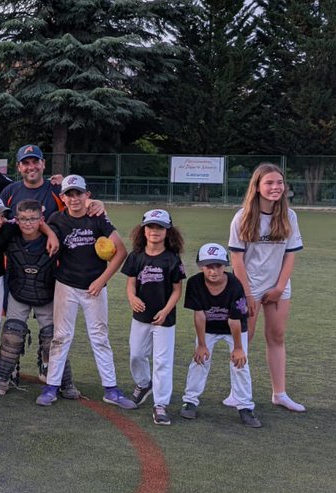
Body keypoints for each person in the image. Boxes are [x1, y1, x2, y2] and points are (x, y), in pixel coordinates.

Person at [36, 175, 135, 409]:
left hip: (94, 287)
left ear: (87, 195)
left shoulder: (98, 217)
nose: (74, 199)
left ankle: (111, 389)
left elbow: (121, 251)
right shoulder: (57, 219)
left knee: (100, 337)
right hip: (66, 285)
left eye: (78, 193)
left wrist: (102, 280)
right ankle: (52, 386)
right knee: (61, 337)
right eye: (69, 194)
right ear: (63, 198)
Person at [229, 162, 305, 413]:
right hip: (247, 288)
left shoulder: (289, 216)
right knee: (244, 339)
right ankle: (237, 393)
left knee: (277, 336)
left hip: (278, 287)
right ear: (257, 187)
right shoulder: (242, 217)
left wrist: (280, 287)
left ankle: (279, 393)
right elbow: (237, 258)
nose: (275, 187)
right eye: (269, 183)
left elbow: (290, 255)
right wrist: (248, 292)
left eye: (279, 183)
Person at [0, 199, 69, 397]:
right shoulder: (9, 234)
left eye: (33, 219)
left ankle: (63, 379)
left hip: (47, 292)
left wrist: (97, 205)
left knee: (54, 336)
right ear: (16, 219)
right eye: (23, 219)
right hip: (19, 290)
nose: (28, 223)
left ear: (41, 220)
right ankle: (3, 375)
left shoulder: (54, 236)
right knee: (12, 334)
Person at [179, 243, 261, 428]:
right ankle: (190, 400)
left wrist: (239, 348)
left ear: (225, 266)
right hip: (208, 328)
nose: (213, 271)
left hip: (234, 329)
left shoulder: (234, 284)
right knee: (200, 360)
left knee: (240, 364)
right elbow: (199, 315)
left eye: (218, 266)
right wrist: (201, 344)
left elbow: (234, 320)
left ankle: (245, 407)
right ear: (201, 266)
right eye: (208, 266)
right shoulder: (195, 283)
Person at [122, 209, 186, 426]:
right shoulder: (136, 256)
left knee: (162, 362)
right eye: (150, 227)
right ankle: (143, 383)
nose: (155, 231)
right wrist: (132, 298)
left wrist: (166, 310)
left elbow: (177, 289)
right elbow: (131, 283)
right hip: (141, 315)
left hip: (164, 319)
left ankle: (160, 404)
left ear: (168, 231)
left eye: (160, 227)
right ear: (143, 230)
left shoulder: (172, 259)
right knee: (136, 354)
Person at [0, 145, 65, 218]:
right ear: (18, 167)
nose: (31, 167)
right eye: (25, 163)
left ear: (43, 163)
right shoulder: (9, 192)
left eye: (35, 162)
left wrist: (67, 183)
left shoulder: (57, 189)